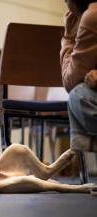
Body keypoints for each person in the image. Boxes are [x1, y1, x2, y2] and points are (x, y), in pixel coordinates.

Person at [60, 0, 97, 150]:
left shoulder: (92, 16)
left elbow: (70, 81)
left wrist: (68, 38)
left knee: (78, 94)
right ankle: (86, 170)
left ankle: (85, 169)